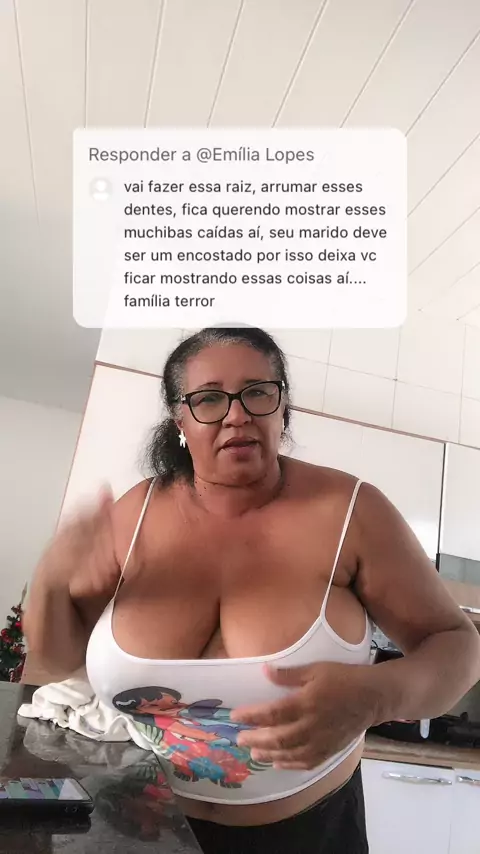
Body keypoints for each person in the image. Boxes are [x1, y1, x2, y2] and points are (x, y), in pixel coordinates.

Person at [25, 326, 480, 854]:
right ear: (180, 420)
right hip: (147, 825)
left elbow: (458, 646)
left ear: (282, 408)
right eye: (209, 398)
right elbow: (57, 658)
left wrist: (379, 695)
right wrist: (53, 576)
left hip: (308, 835)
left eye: (257, 393)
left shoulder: (352, 513)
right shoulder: (135, 514)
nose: (236, 415)